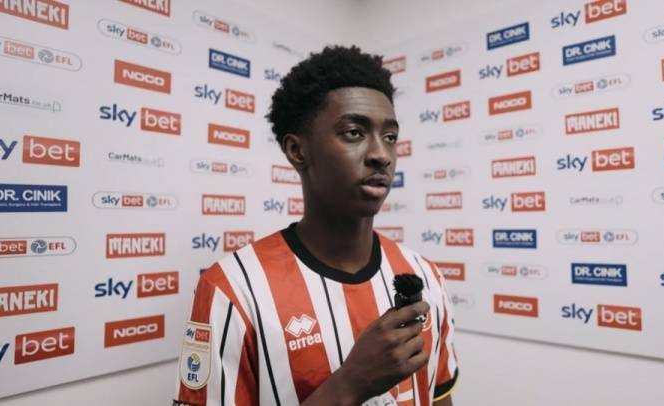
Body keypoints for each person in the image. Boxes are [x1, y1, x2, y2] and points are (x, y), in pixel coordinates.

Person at [174, 45, 458, 406]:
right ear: (297, 151)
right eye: (354, 132)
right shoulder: (231, 290)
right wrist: (350, 384)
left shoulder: (427, 277)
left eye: (390, 137)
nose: (381, 155)